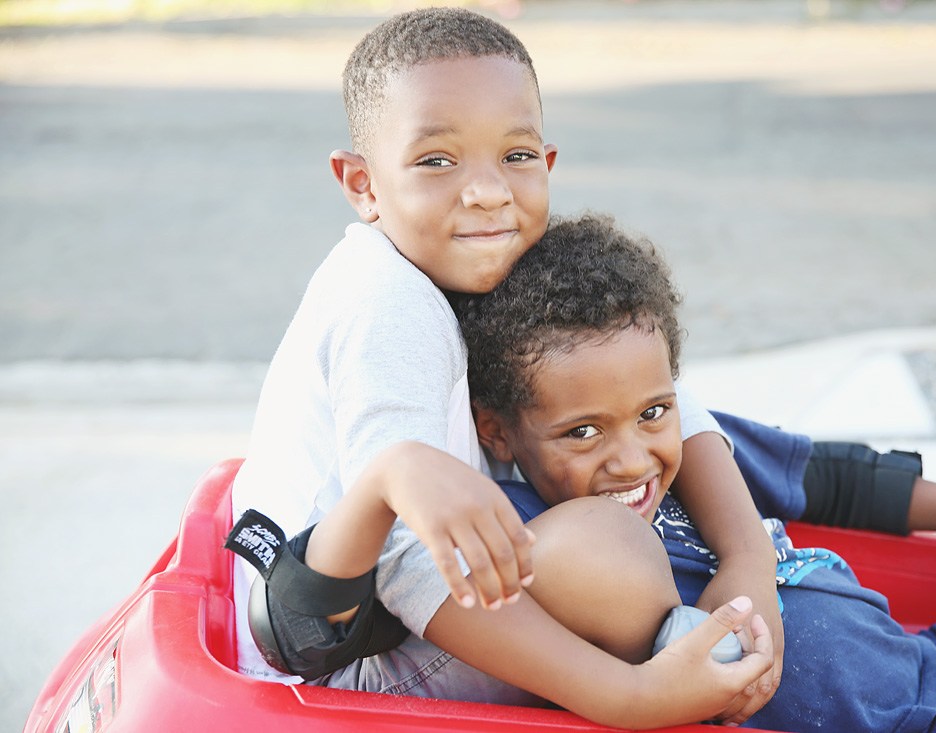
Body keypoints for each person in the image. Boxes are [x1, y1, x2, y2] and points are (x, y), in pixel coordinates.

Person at [227, 8, 778, 729]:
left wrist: (747, 561)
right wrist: (628, 696)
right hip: (353, 672)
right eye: (436, 161)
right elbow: (406, 564)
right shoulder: (388, 306)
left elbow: (661, 392)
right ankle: (660, 670)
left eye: (514, 156)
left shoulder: (471, 247)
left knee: (607, 389)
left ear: (545, 163)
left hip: (404, 614)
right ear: (361, 185)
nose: (487, 191)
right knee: (606, 551)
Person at [457, 212, 936, 732]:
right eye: (583, 432)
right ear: (497, 430)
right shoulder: (529, 545)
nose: (633, 458)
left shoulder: (691, 448)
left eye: (654, 411)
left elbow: (840, 482)